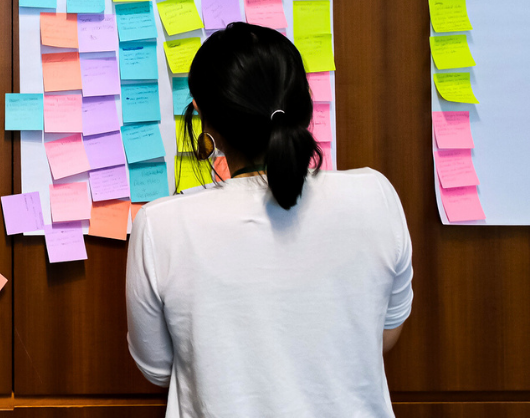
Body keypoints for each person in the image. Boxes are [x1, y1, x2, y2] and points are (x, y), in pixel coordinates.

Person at [126, 23, 412, 417]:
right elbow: (385, 334)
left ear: (206, 123)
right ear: (303, 106)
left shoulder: (159, 226)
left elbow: (157, 368)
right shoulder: (375, 196)